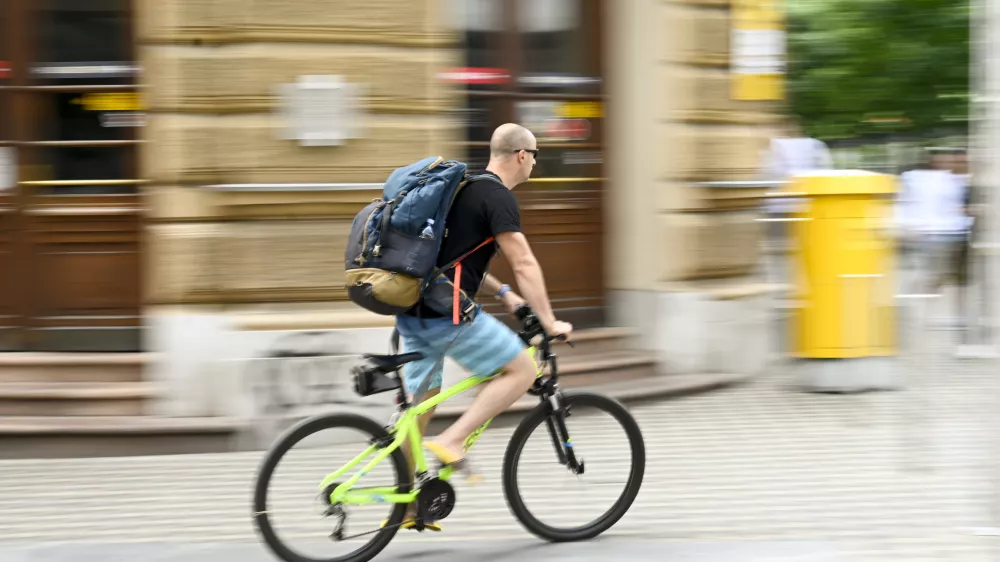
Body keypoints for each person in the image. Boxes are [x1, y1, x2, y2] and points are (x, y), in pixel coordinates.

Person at [392, 123, 573, 530]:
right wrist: (549, 321)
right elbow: (525, 261)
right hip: (445, 316)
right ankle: (453, 440)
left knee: (419, 408)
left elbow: (454, 260)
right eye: (536, 154)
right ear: (522, 155)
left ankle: (404, 504)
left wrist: (504, 292)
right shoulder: (498, 197)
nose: (536, 162)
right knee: (524, 370)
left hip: (415, 311)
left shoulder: (463, 188)